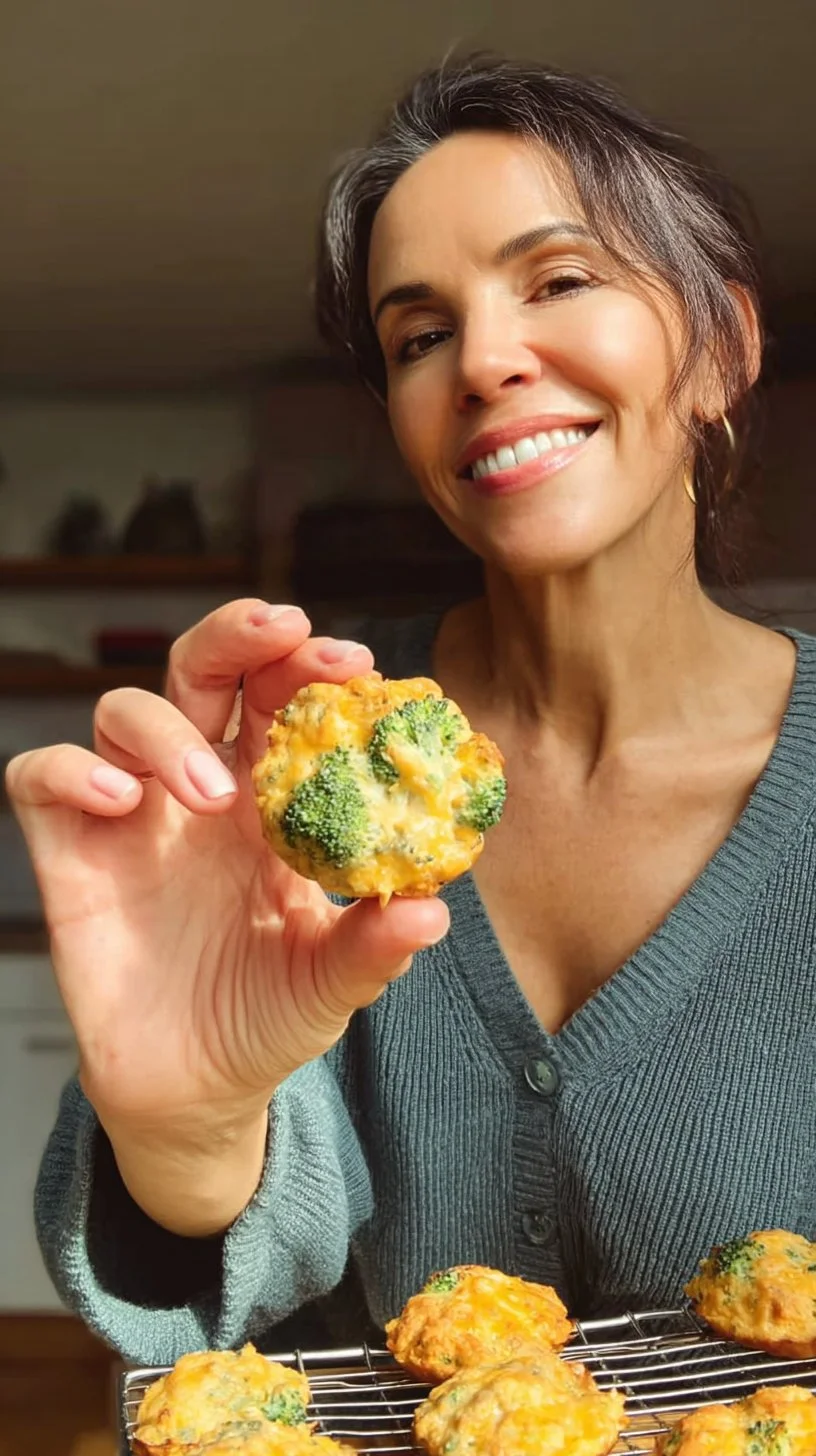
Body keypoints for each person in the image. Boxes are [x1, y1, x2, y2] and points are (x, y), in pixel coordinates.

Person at [8, 56, 815, 1367]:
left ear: (722, 345)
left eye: (557, 280)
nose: (484, 363)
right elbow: (236, 1300)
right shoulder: (292, 758)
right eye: (419, 336)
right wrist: (189, 1131)